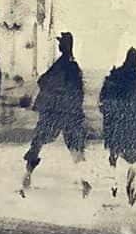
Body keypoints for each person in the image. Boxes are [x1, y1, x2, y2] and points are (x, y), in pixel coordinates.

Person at [21, 32, 89, 195]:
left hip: (54, 112)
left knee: (38, 142)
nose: (58, 45)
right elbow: (79, 91)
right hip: (70, 113)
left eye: (60, 43)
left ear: (64, 46)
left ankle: (27, 178)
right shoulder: (73, 66)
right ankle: (84, 182)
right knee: (75, 148)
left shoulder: (60, 65)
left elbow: (43, 81)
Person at [99, 46, 136, 202]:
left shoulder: (116, 74)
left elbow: (104, 98)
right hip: (132, 123)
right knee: (134, 157)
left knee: (113, 154)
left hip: (116, 123)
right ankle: (131, 182)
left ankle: (114, 182)